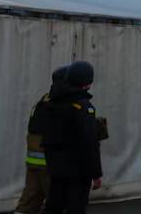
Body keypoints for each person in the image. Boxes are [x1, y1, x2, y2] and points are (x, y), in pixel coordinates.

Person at [42, 61, 102, 214]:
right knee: (76, 207)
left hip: (56, 168)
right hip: (78, 170)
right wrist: (96, 174)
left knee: (54, 206)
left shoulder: (51, 103)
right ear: (87, 82)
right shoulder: (83, 107)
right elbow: (90, 143)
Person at [14, 66, 70, 214]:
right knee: (58, 203)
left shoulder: (43, 101)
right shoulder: (61, 103)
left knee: (29, 200)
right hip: (50, 164)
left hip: (33, 161)